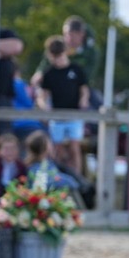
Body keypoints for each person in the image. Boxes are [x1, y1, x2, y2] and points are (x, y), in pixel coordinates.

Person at [36, 35, 90, 178]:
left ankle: (77, 177)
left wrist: (83, 101)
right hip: (57, 117)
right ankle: (58, 176)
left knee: (74, 146)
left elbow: (84, 90)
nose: (57, 59)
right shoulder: (49, 73)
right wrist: (43, 106)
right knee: (57, 149)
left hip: (74, 115)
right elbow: (43, 95)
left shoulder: (76, 69)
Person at [0, 132, 28, 196]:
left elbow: (22, 184)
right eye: (6, 149)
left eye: (13, 148)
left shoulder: (21, 166)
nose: (10, 152)